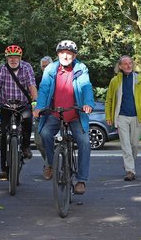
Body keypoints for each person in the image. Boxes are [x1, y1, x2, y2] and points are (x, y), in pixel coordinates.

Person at [33, 40, 95, 194]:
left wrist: (87, 103)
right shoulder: (50, 69)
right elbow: (44, 89)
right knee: (45, 134)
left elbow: (86, 86)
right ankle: (51, 164)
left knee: (84, 142)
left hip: (75, 114)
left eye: (69, 53)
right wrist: (39, 107)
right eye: (62, 53)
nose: (65, 56)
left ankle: (81, 180)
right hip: (55, 113)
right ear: (58, 54)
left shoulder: (81, 68)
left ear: (74, 56)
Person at [0, 45, 38, 181]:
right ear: (7, 58)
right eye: (10, 57)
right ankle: (4, 169)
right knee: (5, 135)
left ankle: (26, 146)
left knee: (28, 120)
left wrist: (35, 101)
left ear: (20, 58)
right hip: (6, 105)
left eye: (16, 57)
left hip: (23, 104)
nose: (13, 59)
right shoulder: (2, 69)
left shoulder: (27, 68)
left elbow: (32, 85)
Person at [104, 55, 141, 181]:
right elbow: (109, 100)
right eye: (125, 64)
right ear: (120, 66)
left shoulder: (140, 80)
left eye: (130, 63)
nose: (128, 66)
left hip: (137, 117)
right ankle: (130, 170)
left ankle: (129, 163)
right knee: (126, 145)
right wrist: (108, 116)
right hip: (121, 117)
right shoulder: (115, 81)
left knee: (134, 145)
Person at [34, 55, 53, 163]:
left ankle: (50, 165)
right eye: (43, 66)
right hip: (40, 113)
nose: (45, 68)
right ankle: (49, 161)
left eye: (47, 66)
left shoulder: (57, 78)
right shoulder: (37, 80)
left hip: (54, 112)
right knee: (38, 142)